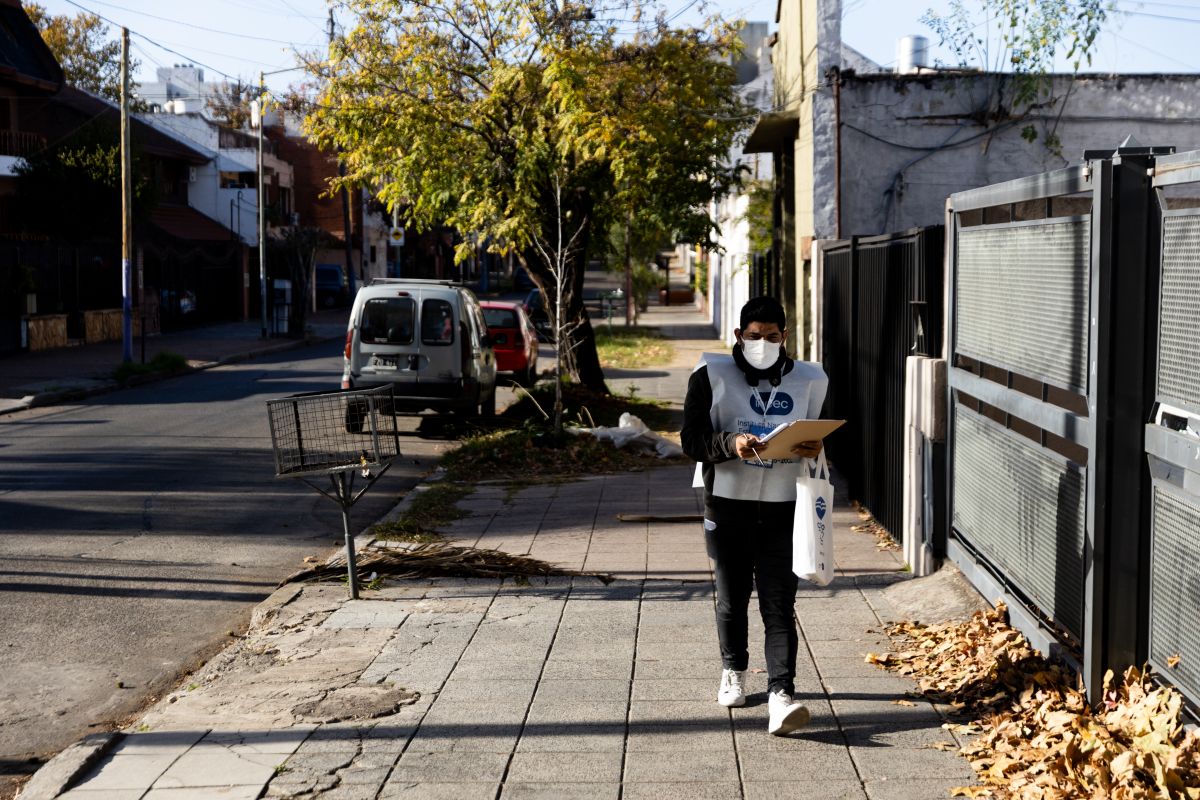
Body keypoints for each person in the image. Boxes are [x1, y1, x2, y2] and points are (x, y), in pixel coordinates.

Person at [680, 296, 828, 736]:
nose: (762, 343)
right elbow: (691, 439)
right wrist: (731, 444)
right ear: (739, 335)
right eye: (753, 335)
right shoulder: (710, 375)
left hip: (786, 505)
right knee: (732, 597)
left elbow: (829, 429)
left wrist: (816, 445)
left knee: (780, 604)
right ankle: (734, 672)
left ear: (786, 337)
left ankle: (782, 694)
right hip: (728, 503)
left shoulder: (810, 380)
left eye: (772, 336)